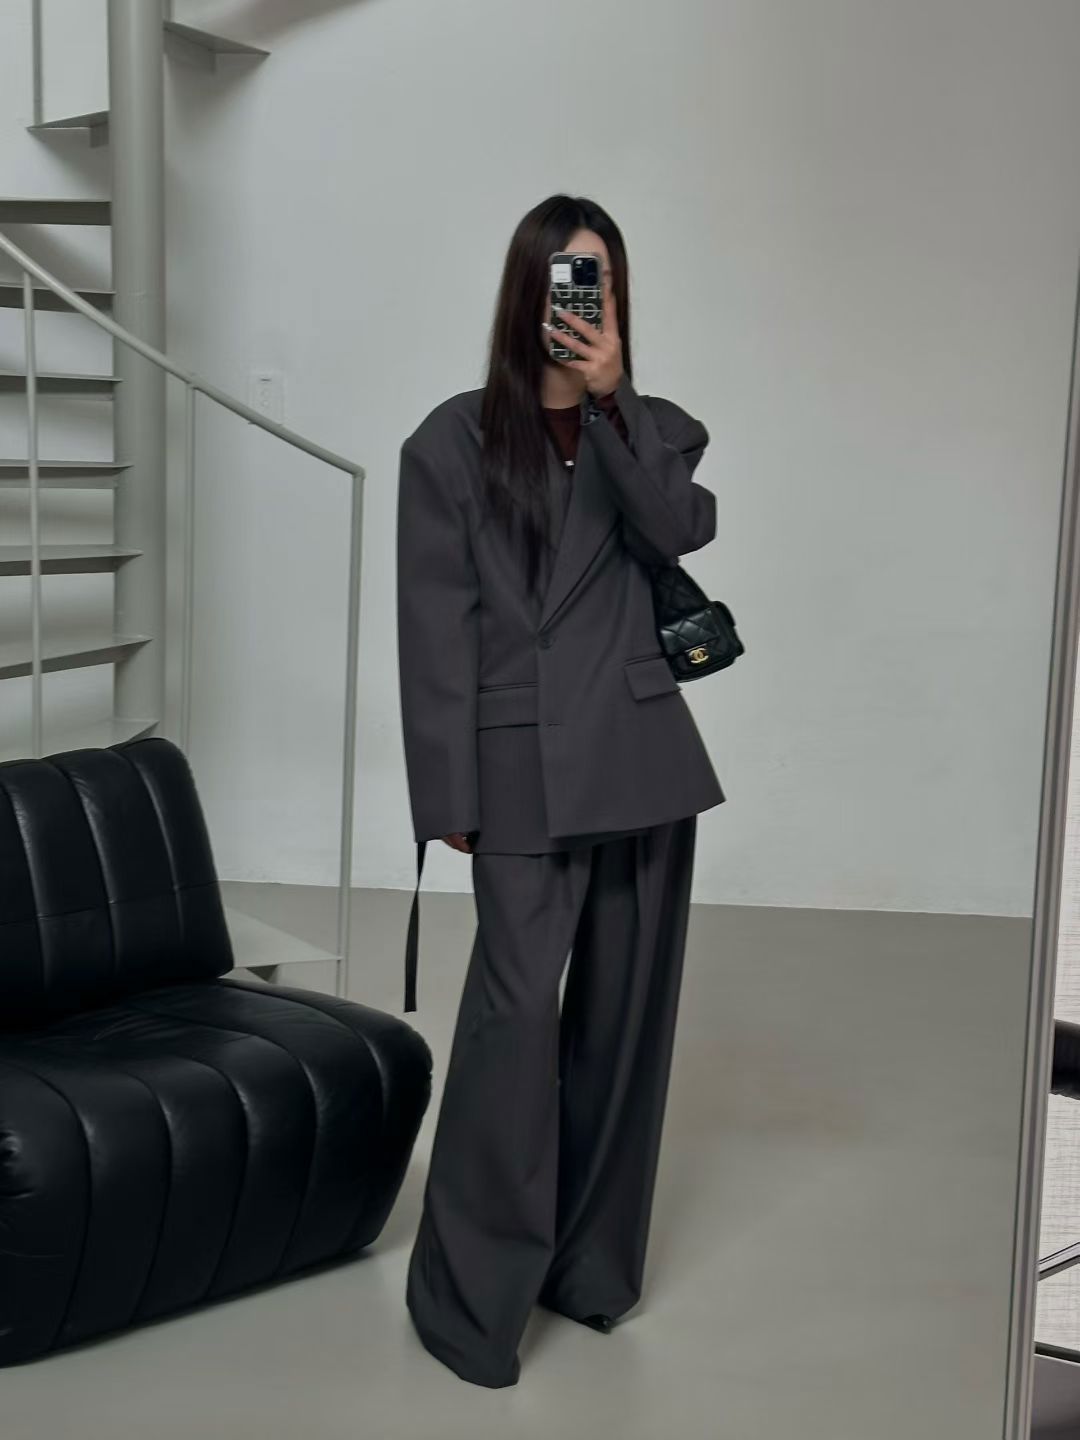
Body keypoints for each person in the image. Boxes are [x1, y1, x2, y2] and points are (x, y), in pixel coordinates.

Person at [395, 193, 725, 1388]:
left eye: (599, 281)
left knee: (624, 1034)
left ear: (617, 300)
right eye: (560, 279)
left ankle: (587, 1272)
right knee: (513, 1027)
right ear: (524, 292)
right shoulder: (449, 441)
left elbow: (679, 530)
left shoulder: (657, 428)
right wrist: (449, 793)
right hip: (520, 766)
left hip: (641, 760)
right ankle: (469, 1303)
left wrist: (614, 397)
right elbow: (434, 628)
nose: (578, 301)